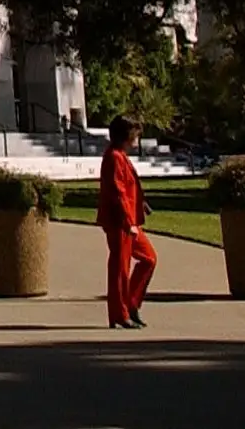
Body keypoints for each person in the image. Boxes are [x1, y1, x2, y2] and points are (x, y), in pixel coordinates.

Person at [98, 114, 157, 329]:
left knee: (148, 258)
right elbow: (117, 192)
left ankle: (130, 304)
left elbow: (127, 188)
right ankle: (119, 313)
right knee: (120, 268)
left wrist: (141, 205)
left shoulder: (120, 155)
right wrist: (128, 221)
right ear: (128, 135)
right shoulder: (114, 157)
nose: (138, 139)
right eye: (136, 134)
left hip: (129, 219)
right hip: (120, 222)